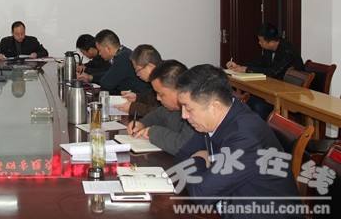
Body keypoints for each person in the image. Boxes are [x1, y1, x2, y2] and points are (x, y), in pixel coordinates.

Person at [172, 64, 303, 218]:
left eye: (188, 108)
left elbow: (201, 194)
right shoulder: (214, 120)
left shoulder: (245, 137)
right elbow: (181, 156)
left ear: (214, 107)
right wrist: (198, 163)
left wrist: (198, 159)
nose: (184, 115)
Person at [226, 23, 304, 119]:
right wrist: (241, 67)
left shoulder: (287, 50)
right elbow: (260, 63)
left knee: (257, 105)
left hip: (289, 93)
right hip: (273, 88)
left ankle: (260, 127)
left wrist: (248, 69)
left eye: (261, 41)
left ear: (272, 42)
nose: (259, 43)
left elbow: (273, 72)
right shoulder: (269, 49)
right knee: (248, 100)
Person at [126, 59, 195, 155]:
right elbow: (157, 115)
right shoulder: (170, 108)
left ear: (178, 91)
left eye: (161, 94)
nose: (158, 98)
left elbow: (183, 146)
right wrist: (142, 124)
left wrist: (152, 131)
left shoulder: (194, 112)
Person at [77, 29, 151, 95]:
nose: (99, 54)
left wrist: (92, 77)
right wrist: (91, 77)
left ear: (108, 48)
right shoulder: (124, 53)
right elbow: (110, 73)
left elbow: (106, 83)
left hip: (141, 99)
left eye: (99, 50)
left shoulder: (122, 58)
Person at [114, 44, 161, 117]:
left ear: (150, 67)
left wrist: (134, 108)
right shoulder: (157, 77)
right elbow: (153, 100)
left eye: (137, 70)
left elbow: (165, 113)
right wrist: (137, 97)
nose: (137, 74)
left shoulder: (168, 79)